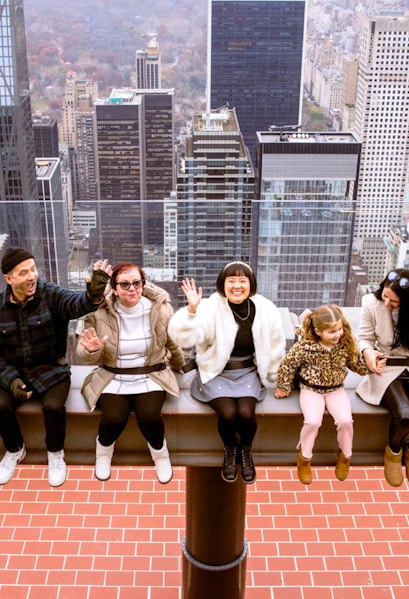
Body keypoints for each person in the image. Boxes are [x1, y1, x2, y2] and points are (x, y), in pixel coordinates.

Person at [0, 246, 112, 486]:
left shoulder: (51, 294)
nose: (31, 276)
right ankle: (14, 449)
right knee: (1, 406)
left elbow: (76, 304)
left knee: (53, 407)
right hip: (15, 371)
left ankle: (55, 452)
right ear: (8, 279)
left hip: (51, 370)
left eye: (33, 269)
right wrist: (11, 381)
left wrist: (93, 295)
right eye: (23, 273)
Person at [168, 261, 286, 484]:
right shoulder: (211, 306)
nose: (237, 285)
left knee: (246, 414)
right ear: (223, 284)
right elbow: (185, 338)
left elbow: (276, 345)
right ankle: (230, 451)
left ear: (251, 284)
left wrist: (278, 378)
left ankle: (246, 452)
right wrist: (192, 310)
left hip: (247, 371)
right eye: (231, 280)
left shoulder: (265, 308)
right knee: (229, 414)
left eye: (243, 280)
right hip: (216, 371)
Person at [76, 262, 184, 484]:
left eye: (137, 283)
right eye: (124, 284)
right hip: (113, 376)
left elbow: (172, 341)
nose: (132, 288)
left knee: (150, 416)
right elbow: (82, 350)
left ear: (143, 285)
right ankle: (104, 453)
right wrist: (91, 350)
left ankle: (160, 454)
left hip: (151, 374)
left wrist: (178, 362)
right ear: (114, 288)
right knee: (113, 418)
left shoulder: (160, 309)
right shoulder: (98, 311)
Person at [275, 305, 370, 485]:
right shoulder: (305, 346)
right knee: (312, 421)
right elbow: (288, 364)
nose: (337, 334)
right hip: (311, 389)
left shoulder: (345, 344)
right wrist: (283, 385)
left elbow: (355, 365)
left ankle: (345, 455)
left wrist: (371, 367)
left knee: (345, 421)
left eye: (339, 329)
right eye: (332, 331)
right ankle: (304, 458)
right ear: (318, 331)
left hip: (335, 389)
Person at [356, 269, 409, 487]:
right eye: (385, 297)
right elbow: (364, 338)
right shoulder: (371, 302)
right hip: (386, 366)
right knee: (405, 413)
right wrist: (368, 353)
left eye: (394, 301)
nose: (387, 303)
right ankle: (394, 451)